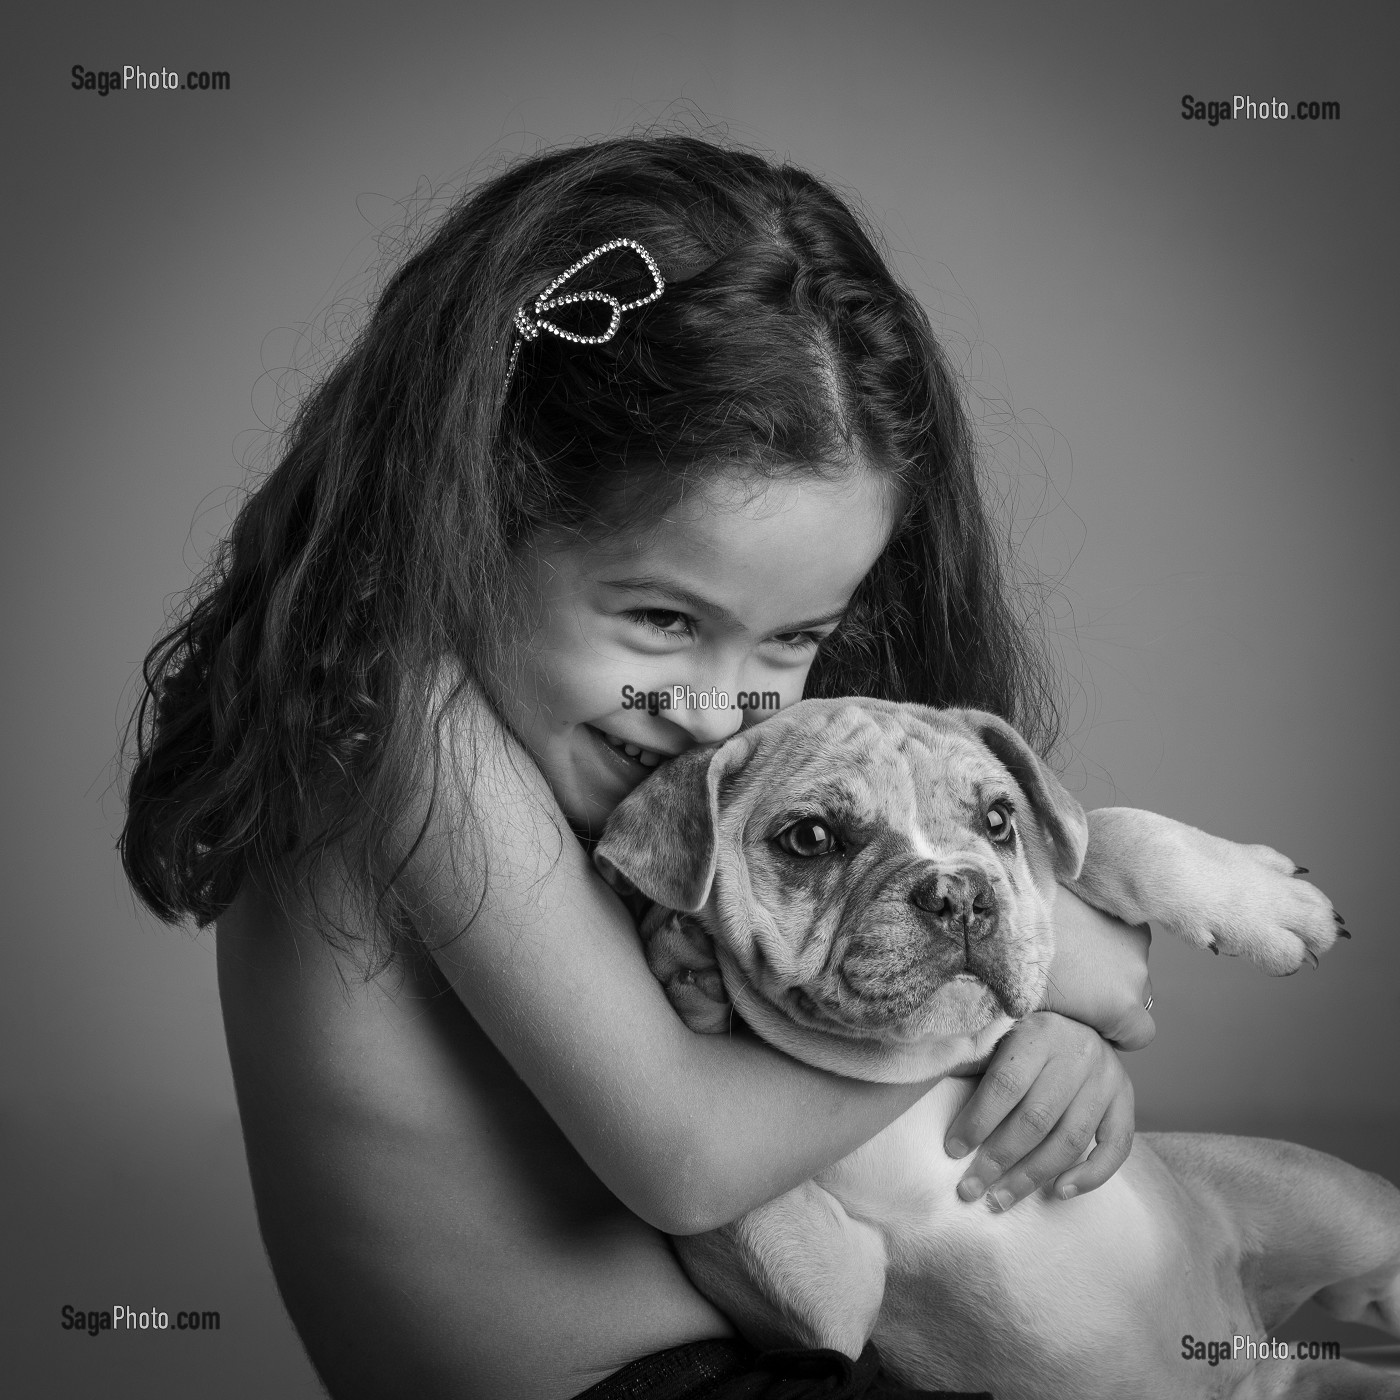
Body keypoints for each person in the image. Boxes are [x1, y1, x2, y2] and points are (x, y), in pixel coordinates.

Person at [121, 136, 1155, 1400]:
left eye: (792, 638)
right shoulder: (400, 722)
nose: (718, 708)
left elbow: (803, 1039)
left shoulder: (622, 785)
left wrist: (1027, 1043)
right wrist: (1034, 971)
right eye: (660, 621)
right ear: (476, 508)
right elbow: (687, 1155)